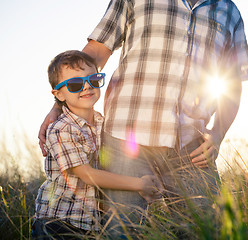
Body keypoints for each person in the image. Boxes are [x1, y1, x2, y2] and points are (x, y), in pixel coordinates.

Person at [39, 0, 248, 235]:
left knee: (205, 230)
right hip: (125, 140)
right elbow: (95, 53)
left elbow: (232, 82)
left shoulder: (229, 12)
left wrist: (219, 133)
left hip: (192, 146)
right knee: (123, 231)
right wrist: (59, 106)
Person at [33, 50, 162, 239]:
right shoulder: (61, 129)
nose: (86, 87)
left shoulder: (102, 122)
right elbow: (87, 175)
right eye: (75, 84)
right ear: (59, 94)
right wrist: (139, 184)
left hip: (88, 223)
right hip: (58, 223)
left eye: (93, 80)